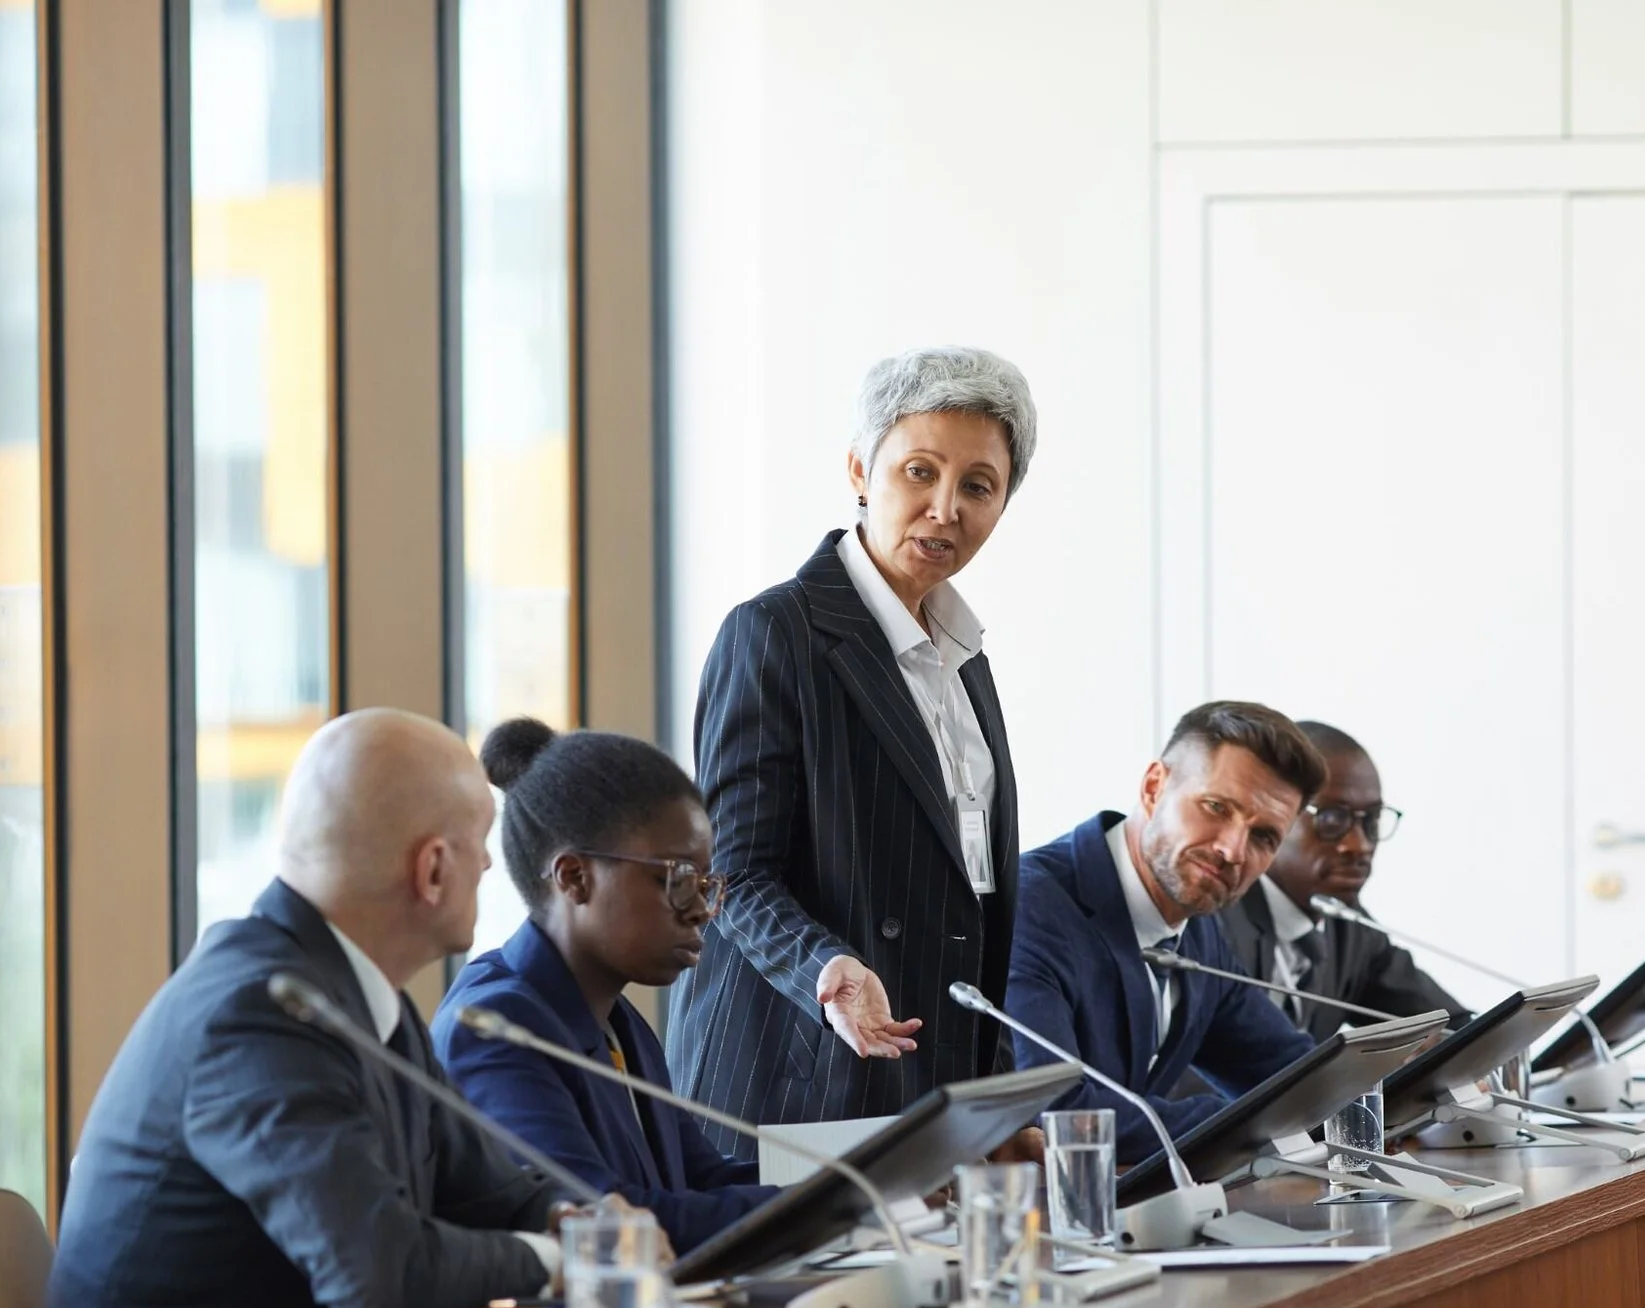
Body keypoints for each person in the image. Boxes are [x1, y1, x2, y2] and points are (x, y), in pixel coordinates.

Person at [43, 708, 584, 1308]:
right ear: (431, 870)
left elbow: (486, 1181)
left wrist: (567, 1217)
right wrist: (563, 1256)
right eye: (481, 848)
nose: (493, 871)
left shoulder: (354, 990)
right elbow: (379, 1276)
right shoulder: (261, 1010)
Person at [670, 346, 1039, 1143]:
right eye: (919, 471)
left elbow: (971, 899)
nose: (945, 507)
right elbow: (730, 871)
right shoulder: (776, 632)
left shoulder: (966, 658)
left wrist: (995, 1090)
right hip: (801, 1074)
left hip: (932, 1078)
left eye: (978, 486)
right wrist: (826, 972)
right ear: (859, 471)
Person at [435, 718, 780, 1250]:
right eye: (678, 879)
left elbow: (701, 1180)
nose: (700, 912)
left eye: (707, 884)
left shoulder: (619, 1019)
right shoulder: (495, 1030)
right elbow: (612, 1223)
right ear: (574, 877)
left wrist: (871, 1174)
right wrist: (857, 1201)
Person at [1005, 701, 1328, 1166]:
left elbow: (1295, 1076)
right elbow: (1060, 1111)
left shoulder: (1197, 930)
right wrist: (1251, 1122)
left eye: (1263, 838)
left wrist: (1409, 1081)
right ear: (1154, 787)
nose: (1232, 850)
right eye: (1216, 807)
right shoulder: (1033, 906)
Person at [1218, 721, 1467, 1040]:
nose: (1359, 845)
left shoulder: (1348, 926)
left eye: (1372, 820)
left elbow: (1450, 1028)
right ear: (1275, 816)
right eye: (1332, 818)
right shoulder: (1217, 920)